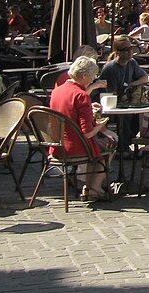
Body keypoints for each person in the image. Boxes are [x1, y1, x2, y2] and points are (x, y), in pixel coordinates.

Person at [49, 56, 117, 201]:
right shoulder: (81, 95)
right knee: (109, 143)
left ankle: (88, 186)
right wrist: (101, 124)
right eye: (93, 76)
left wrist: (88, 112)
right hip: (75, 145)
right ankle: (95, 187)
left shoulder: (57, 91)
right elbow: (87, 133)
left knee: (100, 145)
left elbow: (68, 113)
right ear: (84, 75)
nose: (93, 80)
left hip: (56, 144)